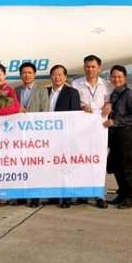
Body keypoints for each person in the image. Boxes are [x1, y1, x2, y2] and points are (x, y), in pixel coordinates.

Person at [72, 55, 113, 208]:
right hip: (82, 130)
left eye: (93, 67)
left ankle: (99, 195)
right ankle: (82, 194)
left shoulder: (106, 85)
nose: (90, 69)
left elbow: (110, 101)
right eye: (87, 66)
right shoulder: (76, 84)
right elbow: (73, 104)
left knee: (99, 162)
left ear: (99, 68)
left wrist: (109, 104)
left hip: (101, 130)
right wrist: (82, 107)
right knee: (82, 161)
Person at [44, 64, 81, 209]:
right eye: (54, 74)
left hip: (66, 136)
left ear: (65, 77)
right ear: (51, 77)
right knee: (51, 166)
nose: (57, 77)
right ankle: (53, 196)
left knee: (65, 167)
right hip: (48, 137)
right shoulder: (45, 92)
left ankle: (66, 197)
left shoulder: (72, 92)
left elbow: (74, 115)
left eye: (60, 74)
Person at [103, 65, 132, 209]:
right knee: (117, 166)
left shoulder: (129, 94)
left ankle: (129, 196)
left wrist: (116, 121)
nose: (116, 79)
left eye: (119, 77)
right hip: (114, 135)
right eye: (113, 77)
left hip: (125, 134)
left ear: (124, 78)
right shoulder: (113, 94)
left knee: (127, 166)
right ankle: (122, 193)